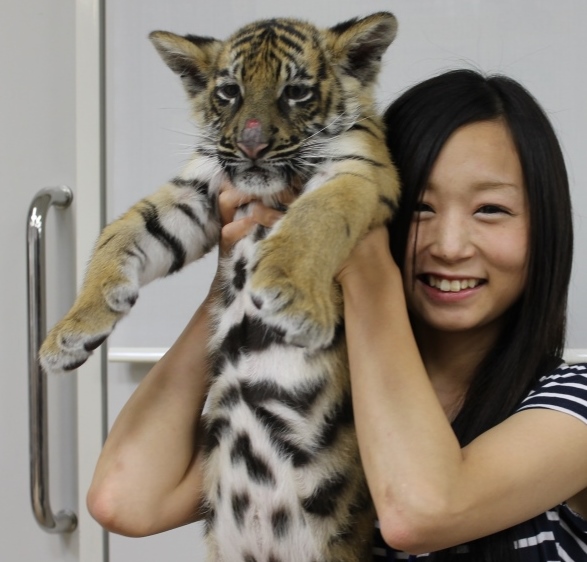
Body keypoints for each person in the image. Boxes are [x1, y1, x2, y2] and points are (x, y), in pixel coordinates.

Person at [87, 69, 587, 561]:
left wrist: (365, 263)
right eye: (418, 208)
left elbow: (421, 513)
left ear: (545, 226)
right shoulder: (319, 396)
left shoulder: (574, 403)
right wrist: (240, 276)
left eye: (491, 210)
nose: (449, 246)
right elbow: (125, 499)